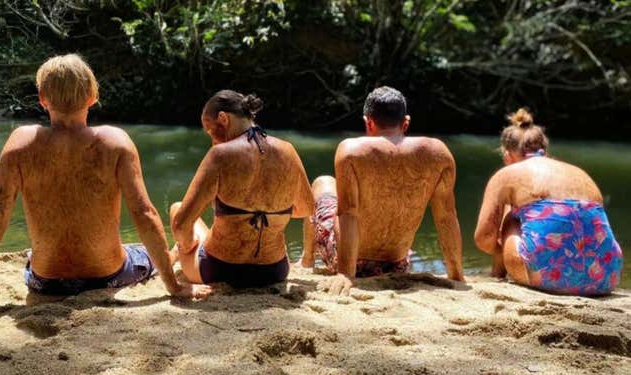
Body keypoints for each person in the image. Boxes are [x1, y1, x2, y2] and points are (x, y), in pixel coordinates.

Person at [0, 54, 212, 301]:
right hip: (107, 277)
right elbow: (145, 214)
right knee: (144, 253)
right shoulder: (115, 143)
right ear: (92, 97)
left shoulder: (20, 144)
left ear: (43, 99)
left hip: (45, 284)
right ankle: (172, 257)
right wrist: (174, 286)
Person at [302, 86, 464, 295]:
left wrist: (346, 274)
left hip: (351, 264)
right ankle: (458, 271)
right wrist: (457, 276)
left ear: (368, 122)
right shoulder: (438, 153)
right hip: (397, 264)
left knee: (323, 183)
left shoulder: (351, 150)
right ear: (406, 123)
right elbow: (447, 217)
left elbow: (348, 214)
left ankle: (307, 261)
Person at [169, 90, 313, 288]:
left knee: (177, 209)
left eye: (210, 130)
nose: (212, 139)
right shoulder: (288, 150)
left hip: (218, 270)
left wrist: (186, 246)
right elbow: (306, 208)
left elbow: (181, 225)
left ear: (223, 118)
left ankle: (177, 252)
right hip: (274, 271)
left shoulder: (219, 155)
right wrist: (271, 214)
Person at [474, 108, 623, 295]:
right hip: (607, 277)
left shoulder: (507, 175)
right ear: (544, 150)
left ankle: (499, 274)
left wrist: (504, 253)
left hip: (547, 279)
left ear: (507, 156)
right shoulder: (580, 174)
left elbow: (484, 239)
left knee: (512, 216)